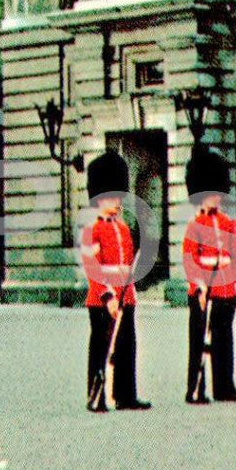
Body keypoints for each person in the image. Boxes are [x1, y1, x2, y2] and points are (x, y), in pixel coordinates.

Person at [81, 151, 149, 412]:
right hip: (102, 299)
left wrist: (129, 292)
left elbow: (127, 264)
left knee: (126, 345)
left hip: (124, 296)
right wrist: (108, 296)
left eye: (119, 196)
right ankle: (96, 395)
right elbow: (93, 267)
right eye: (111, 197)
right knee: (101, 346)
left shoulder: (123, 229)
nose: (117, 202)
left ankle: (125, 394)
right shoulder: (92, 230)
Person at [180, 145, 236, 404]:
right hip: (204, 290)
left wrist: (235, 284)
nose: (216, 198)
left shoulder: (227, 223)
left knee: (224, 339)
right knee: (199, 341)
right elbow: (190, 260)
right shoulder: (195, 226)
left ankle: (224, 386)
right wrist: (198, 286)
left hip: (224, 290)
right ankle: (195, 387)